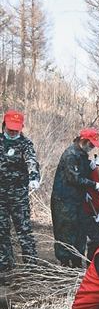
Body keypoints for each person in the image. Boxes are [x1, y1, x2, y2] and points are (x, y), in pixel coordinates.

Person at [51, 128, 99, 268]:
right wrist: (94, 185)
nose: (92, 147)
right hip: (64, 200)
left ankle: (77, 261)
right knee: (65, 231)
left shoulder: (81, 155)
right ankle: (64, 263)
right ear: (83, 141)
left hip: (78, 199)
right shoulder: (71, 155)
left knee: (80, 230)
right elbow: (74, 178)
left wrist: (91, 166)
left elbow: (83, 171)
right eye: (91, 144)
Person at [0, 110, 40, 271]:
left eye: (16, 129)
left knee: (23, 229)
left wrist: (34, 177)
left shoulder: (26, 144)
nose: (13, 131)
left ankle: (31, 265)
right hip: (0, 194)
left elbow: (31, 161)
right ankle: (5, 264)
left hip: (18, 194)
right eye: (10, 128)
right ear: (4, 125)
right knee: (2, 231)